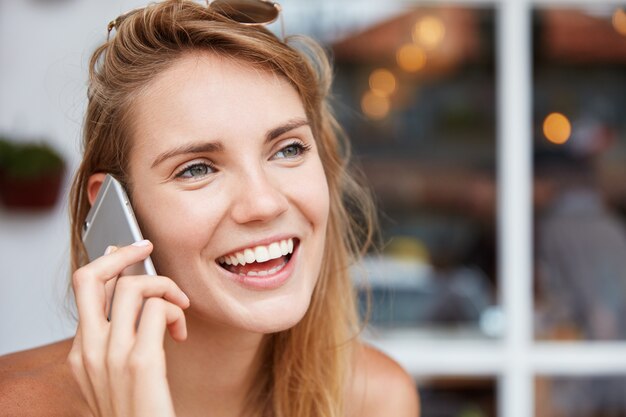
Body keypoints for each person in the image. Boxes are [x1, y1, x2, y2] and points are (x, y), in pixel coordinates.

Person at [0, 1, 420, 416]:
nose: (264, 203)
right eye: (197, 168)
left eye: (288, 149)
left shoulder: (374, 399)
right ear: (117, 208)